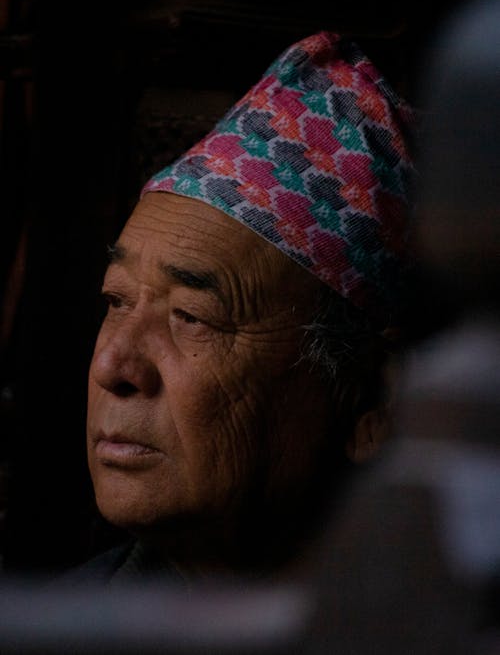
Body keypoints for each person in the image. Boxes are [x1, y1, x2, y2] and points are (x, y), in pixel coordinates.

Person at [68, 30, 417, 587]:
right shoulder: (54, 625)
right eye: (116, 300)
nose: (113, 367)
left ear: (372, 398)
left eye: (190, 316)